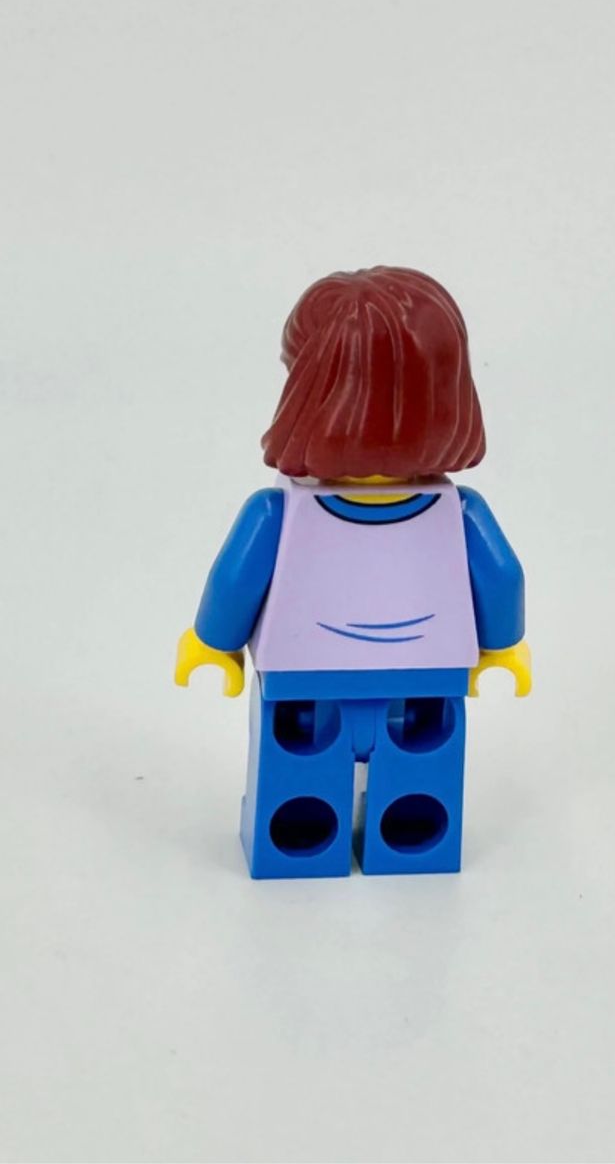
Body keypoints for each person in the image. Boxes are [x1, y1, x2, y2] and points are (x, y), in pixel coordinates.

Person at [175, 266, 530, 878]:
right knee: (416, 781)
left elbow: (236, 580)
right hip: (422, 675)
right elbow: (503, 578)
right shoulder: (459, 513)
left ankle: (308, 847)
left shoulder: (276, 512)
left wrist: (212, 642)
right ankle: (406, 844)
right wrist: (502, 645)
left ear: (308, 389)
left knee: (305, 782)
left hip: (312, 678)